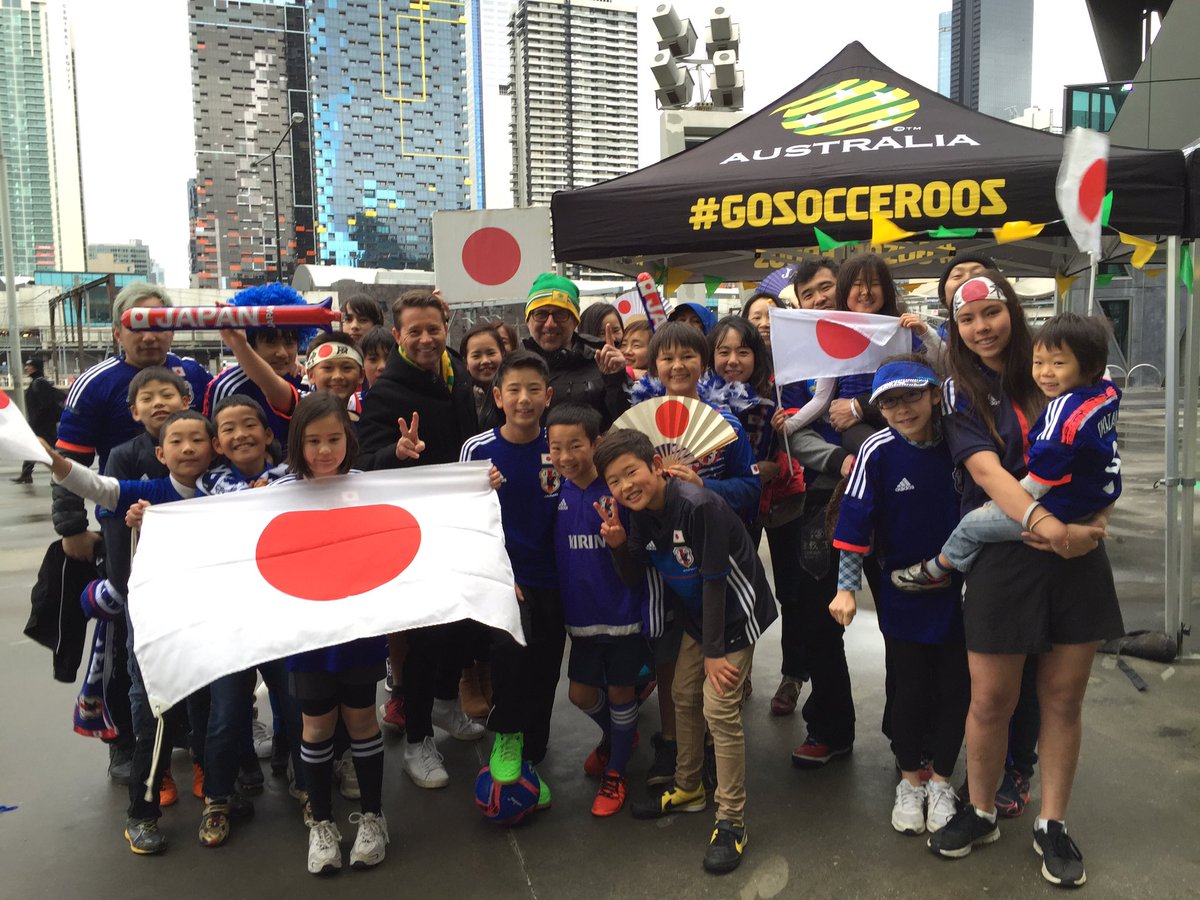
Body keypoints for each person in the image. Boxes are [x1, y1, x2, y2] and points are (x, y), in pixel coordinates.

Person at [925, 273, 1121, 890]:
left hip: (1075, 552)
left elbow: (1106, 457)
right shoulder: (959, 391)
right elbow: (986, 472)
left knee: (1063, 698)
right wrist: (1045, 524)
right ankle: (980, 810)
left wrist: (1093, 523)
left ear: (1012, 308)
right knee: (990, 700)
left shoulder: (1072, 367)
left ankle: (1052, 823)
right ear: (954, 329)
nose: (983, 327)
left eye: (992, 312)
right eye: (967, 319)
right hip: (1008, 555)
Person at [597, 428, 776, 875]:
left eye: (632, 472)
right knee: (680, 696)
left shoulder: (699, 506)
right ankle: (688, 786)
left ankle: (731, 819)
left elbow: (715, 581)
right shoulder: (638, 514)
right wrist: (619, 546)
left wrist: (715, 652)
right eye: (614, 481)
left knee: (720, 710)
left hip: (737, 614)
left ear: (656, 467)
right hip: (701, 620)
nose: (625, 486)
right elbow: (636, 577)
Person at [53, 281, 211, 784]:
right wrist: (71, 526)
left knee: (192, 623)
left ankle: (186, 731)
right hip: (125, 523)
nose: (149, 336)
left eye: (159, 324)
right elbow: (70, 460)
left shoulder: (196, 375)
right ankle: (124, 742)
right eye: (138, 325)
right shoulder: (97, 383)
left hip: (190, 519)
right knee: (127, 629)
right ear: (119, 328)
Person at [828, 357, 970, 836]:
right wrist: (847, 587)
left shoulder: (960, 442)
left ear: (934, 395)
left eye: (911, 396)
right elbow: (854, 524)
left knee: (957, 689)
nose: (902, 408)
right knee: (907, 686)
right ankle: (910, 781)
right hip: (903, 590)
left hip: (963, 590)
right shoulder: (878, 449)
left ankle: (943, 781)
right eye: (889, 401)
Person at [357, 289, 484, 788]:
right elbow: (361, 461)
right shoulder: (387, 393)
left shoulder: (453, 375)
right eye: (416, 331)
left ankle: (447, 705)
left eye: (435, 328)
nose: (427, 338)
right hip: (411, 532)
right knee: (425, 636)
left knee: (463, 626)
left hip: (460, 522)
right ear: (397, 336)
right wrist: (398, 452)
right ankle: (416, 740)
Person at [894, 310, 1121, 590]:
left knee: (972, 525)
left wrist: (1026, 504)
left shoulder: (1063, 410)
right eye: (1038, 362)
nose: (1045, 372)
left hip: (1059, 506)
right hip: (1095, 498)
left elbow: (1044, 469)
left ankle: (937, 569)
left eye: (1058, 363)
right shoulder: (1106, 394)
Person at [629, 321, 761, 787]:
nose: (677, 366)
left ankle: (708, 747)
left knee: (716, 668)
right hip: (664, 562)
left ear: (703, 364)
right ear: (654, 365)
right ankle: (680, 745)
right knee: (672, 656)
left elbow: (751, 487)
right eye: (666, 358)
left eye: (687, 357)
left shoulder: (726, 425)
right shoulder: (639, 423)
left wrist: (708, 486)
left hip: (716, 558)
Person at [269, 392, 390, 875]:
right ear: (297, 442)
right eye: (313, 441)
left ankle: (375, 818)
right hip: (307, 630)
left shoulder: (370, 486)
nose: (324, 450)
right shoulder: (274, 489)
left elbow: (427, 509)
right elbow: (213, 521)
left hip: (359, 626)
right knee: (316, 726)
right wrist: (150, 515)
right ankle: (322, 824)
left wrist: (478, 485)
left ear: (349, 439)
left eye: (334, 439)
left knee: (362, 720)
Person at [460, 351, 565, 812]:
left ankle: (531, 751)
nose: (524, 399)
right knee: (511, 656)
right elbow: (463, 520)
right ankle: (505, 735)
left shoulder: (561, 444)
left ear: (549, 396)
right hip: (505, 578)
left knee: (545, 666)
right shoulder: (477, 449)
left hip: (557, 578)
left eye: (534, 390)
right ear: (498, 396)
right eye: (514, 391)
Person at [548, 403, 651, 817]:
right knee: (580, 694)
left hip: (624, 616)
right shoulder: (555, 490)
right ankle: (620, 736)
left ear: (596, 443)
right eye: (556, 447)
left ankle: (617, 771)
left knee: (623, 691)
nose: (567, 456)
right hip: (581, 619)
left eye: (576, 445)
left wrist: (620, 542)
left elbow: (639, 556)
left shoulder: (618, 493)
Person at [827, 254, 942, 454]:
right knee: (877, 452)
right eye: (857, 284)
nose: (866, 292)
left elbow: (939, 370)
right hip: (855, 427)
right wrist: (792, 423)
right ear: (844, 289)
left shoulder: (904, 328)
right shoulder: (832, 333)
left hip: (901, 412)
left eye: (875, 284)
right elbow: (822, 395)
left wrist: (925, 332)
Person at [204, 283, 317, 451]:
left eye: (290, 342)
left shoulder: (304, 380)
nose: (282, 353)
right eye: (271, 342)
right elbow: (215, 450)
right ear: (249, 342)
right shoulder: (225, 387)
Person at [522, 273, 628, 428]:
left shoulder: (600, 360)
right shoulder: (514, 365)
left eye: (561, 314)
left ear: (575, 321)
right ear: (528, 320)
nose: (550, 324)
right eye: (541, 314)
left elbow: (623, 425)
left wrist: (615, 379)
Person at [13, 356, 63, 484]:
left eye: (29, 366)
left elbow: (45, 405)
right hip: (40, 424)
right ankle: (26, 474)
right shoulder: (37, 381)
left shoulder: (40, 383)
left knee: (51, 449)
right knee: (34, 447)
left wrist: (36, 421)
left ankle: (61, 472)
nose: (26, 368)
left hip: (43, 425)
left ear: (35, 368)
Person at [459, 322, 506, 429]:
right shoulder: (459, 399)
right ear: (466, 362)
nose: (485, 361)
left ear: (503, 354)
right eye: (476, 356)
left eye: (491, 353)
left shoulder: (514, 394)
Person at [359, 326, 396, 391]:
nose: (382, 366)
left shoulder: (409, 399)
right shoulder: (355, 400)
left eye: (389, 358)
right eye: (373, 359)